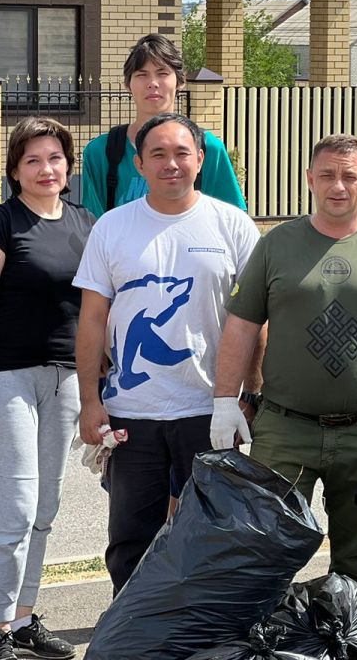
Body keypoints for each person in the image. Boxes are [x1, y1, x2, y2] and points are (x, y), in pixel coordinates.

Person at [210, 135, 357, 597]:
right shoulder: (276, 244)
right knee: (267, 549)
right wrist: (223, 399)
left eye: (350, 177)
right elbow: (240, 325)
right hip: (284, 430)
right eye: (328, 176)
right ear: (310, 180)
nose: (338, 186)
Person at [74, 112, 260, 595]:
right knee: (131, 540)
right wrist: (90, 401)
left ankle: (202, 634)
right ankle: (132, 631)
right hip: (132, 412)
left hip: (210, 409)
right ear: (139, 164)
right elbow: (92, 319)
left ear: (201, 159)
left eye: (182, 153)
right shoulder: (112, 228)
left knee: (213, 533)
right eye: (158, 153)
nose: (171, 163)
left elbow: (258, 318)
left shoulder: (233, 226)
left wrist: (252, 394)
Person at [0, 118, 96, 660]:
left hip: (66, 378)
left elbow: (96, 310)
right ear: (15, 169)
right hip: (5, 377)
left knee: (45, 506)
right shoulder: (0, 222)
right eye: (33, 160)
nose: (46, 169)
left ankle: (22, 620)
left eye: (55, 158)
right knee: (12, 507)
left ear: (67, 166)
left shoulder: (86, 222)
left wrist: (99, 390)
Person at [80, 33, 245, 216]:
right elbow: (92, 227)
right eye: (142, 75)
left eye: (162, 73)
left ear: (180, 81)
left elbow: (233, 224)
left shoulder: (208, 148)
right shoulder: (101, 152)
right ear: (127, 84)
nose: (152, 83)